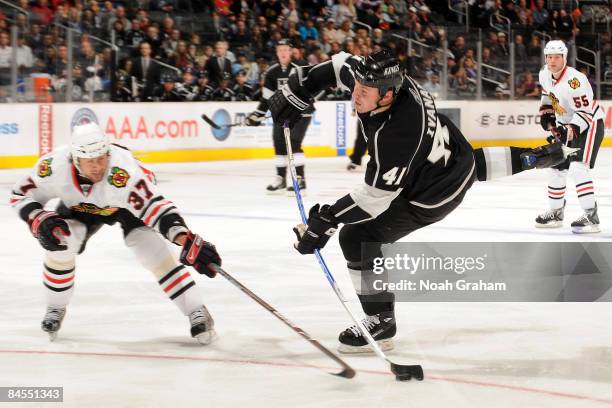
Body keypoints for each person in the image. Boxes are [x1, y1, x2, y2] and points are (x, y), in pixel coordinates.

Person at [268, 49, 576, 353]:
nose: (355, 95)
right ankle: (533, 157)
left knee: (358, 236)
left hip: (431, 196)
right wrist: (301, 90)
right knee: (469, 165)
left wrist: (326, 220)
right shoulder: (387, 83)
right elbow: (339, 65)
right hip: (453, 151)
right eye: (357, 86)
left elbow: (373, 199)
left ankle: (380, 319)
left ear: (387, 95)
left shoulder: (397, 134)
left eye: (365, 91)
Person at [10, 123, 221, 343]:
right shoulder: (52, 166)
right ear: (74, 158)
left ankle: (196, 310)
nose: (97, 167)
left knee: (150, 249)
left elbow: (157, 208)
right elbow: (20, 195)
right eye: (89, 161)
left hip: (125, 207)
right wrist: (38, 217)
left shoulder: (126, 172)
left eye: (101, 158)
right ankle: (55, 307)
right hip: (79, 206)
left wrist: (185, 238)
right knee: (61, 242)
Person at [535, 40, 604, 233]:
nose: (552, 60)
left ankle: (591, 216)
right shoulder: (544, 73)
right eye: (549, 56)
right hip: (566, 125)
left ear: (564, 58)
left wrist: (570, 128)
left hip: (589, 125)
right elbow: (547, 94)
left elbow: (585, 112)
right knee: (555, 167)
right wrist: (547, 113)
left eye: (557, 56)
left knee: (577, 168)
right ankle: (556, 213)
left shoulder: (576, 80)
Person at [245, 39, 315, 194]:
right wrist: (257, 115)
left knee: (294, 142)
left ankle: (300, 179)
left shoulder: (301, 68)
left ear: (290, 52)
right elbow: (267, 98)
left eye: (285, 50)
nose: (283, 53)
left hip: (302, 113)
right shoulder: (271, 72)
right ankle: (280, 179)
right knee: (279, 144)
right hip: (282, 114)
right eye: (280, 50)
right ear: (277, 53)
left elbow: (314, 90)